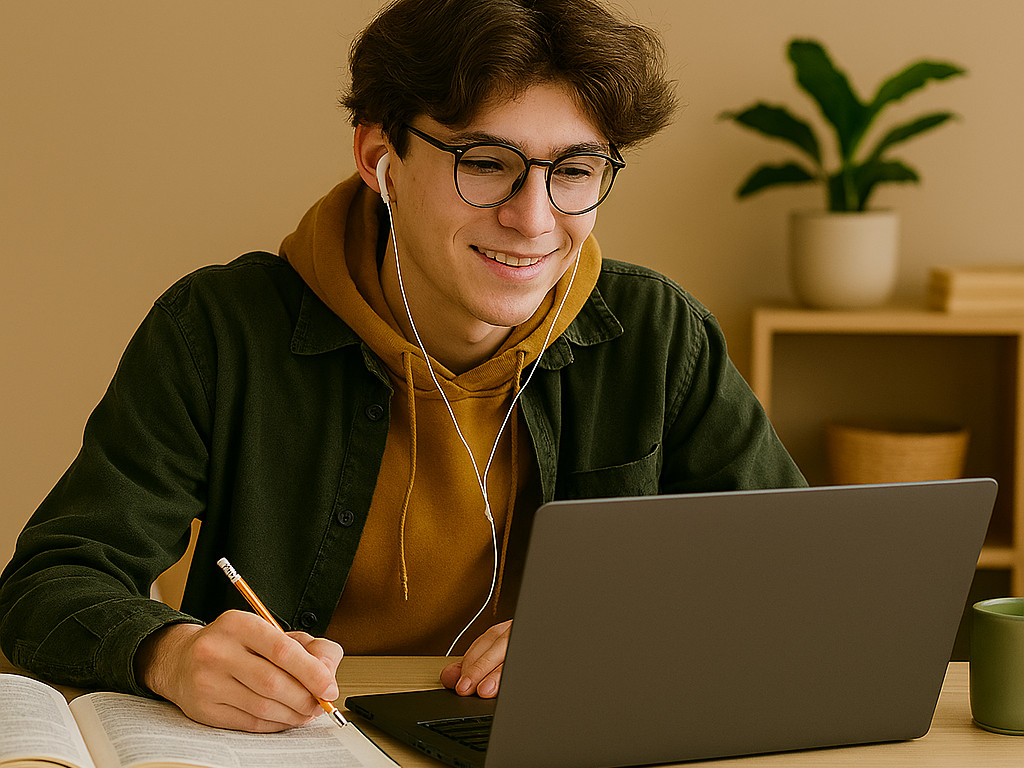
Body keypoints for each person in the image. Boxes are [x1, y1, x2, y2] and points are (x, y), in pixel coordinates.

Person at [0, 0, 805, 734]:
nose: (533, 218)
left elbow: (799, 576)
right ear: (379, 157)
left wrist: (626, 636)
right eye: (486, 163)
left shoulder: (659, 335)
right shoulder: (217, 329)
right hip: (293, 748)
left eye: (575, 172)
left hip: (560, 741)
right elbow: (50, 580)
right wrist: (168, 654)